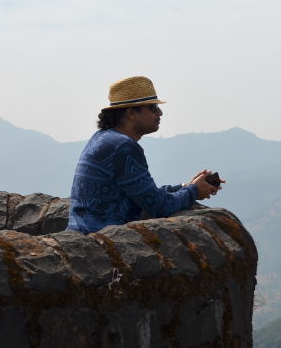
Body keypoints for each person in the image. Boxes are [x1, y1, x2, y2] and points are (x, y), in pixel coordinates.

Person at [66, 75, 221, 234]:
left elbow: (143, 193)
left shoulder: (103, 137)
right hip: (99, 240)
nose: (160, 113)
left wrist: (185, 187)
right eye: (153, 107)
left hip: (82, 233)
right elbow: (158, 206)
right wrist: (194, 191)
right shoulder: (123, 147)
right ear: (131, 113)